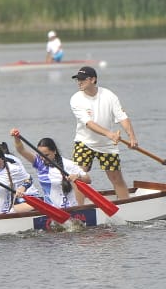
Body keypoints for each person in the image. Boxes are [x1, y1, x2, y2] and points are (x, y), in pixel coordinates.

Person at [70, 65, 138, 199]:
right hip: (84, 142)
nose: (79, 82)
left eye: (83, 79)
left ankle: (127, 205)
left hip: (107, 145)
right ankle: (79, 210)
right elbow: (89, 123)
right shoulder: (76, 99)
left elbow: (122, 117)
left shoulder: (109, 95)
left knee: (116, 177)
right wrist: (109, 134)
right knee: (78, 176)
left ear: (93, 80)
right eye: (78, 79)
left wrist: (132, 137)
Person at [10, 129, 90, 208]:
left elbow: (88, 179)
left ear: (54, 151)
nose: (43, 158)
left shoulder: (68, 164)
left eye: (46, 155)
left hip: (69, 208)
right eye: (40, 155)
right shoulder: (39, 163)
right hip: (50, 209)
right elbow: (21, 150)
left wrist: (77, 177)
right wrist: (16, 138)